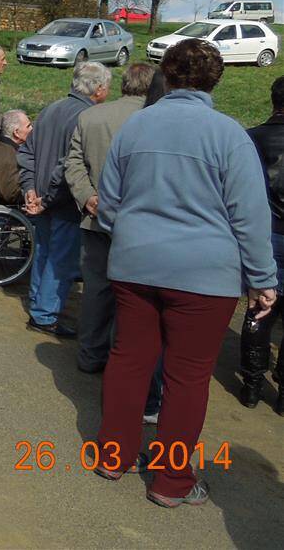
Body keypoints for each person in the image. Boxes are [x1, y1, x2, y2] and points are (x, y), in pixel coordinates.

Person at [94, 39, 277, 505]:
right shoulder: (228, 135)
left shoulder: (135, 128)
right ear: (215, 80)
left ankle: (113, 456)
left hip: (136, 265)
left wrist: (131, 236)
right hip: (205, 275)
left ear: (167, 75)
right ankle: (171, 481)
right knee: (188, 377)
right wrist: (262, 279)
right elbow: (250, 216)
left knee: (129, 361)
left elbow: (108, 202)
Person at [64, 63, 156, 373]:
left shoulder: (91, 116)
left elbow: (73, 163)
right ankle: (123, 364)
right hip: (140, 223)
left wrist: (87, 196)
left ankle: (90, 355)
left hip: (95, 217)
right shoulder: (155, 120)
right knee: (135, 296)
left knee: (96, 290)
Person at [18, 61, 111, 336]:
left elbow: (27, 153)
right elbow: (67, 167)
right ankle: (45, 315)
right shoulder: (86, 117)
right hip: (62, 201)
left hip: (41, 198)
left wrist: (30, 189)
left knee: (44, 252)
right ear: (98, 89)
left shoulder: (50, 109)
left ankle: (38, 303)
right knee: (61, 260)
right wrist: (46, 199)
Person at [240, 74, 284, 412]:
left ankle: (253, 384)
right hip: (268, 231)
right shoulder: (251, 138)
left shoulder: (251, 138)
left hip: (265, 232)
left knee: (259, 307)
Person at [0, 109, 32, 206]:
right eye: (28, 126)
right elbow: (11, 194)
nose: (32, 129)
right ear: (16, 133)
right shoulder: (7, 157)